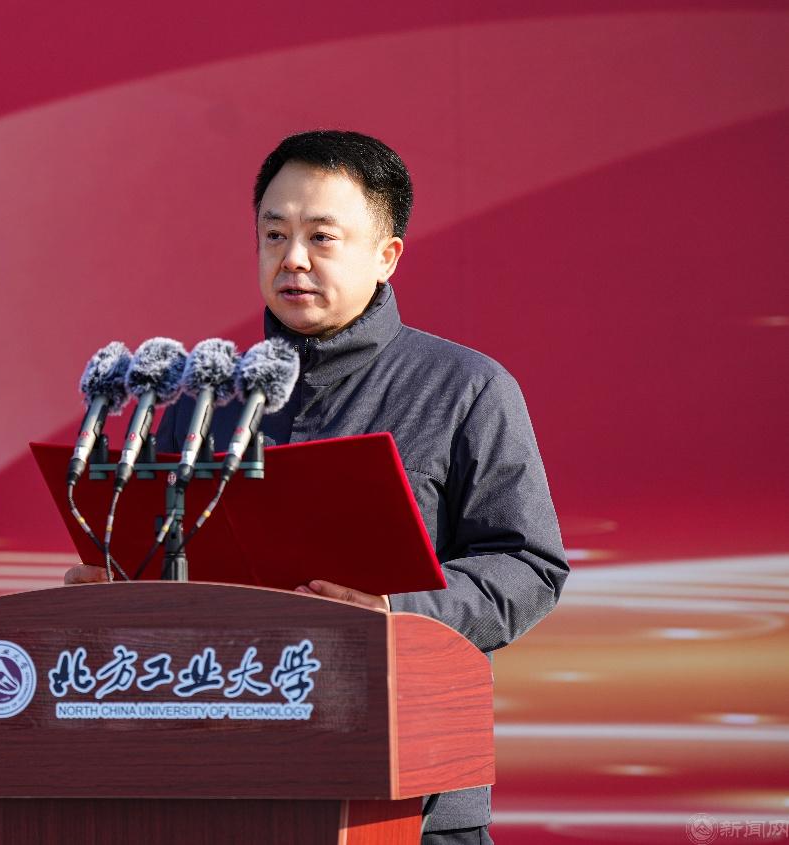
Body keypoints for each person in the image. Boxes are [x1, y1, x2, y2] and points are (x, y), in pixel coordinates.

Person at [65, 130, 568, 844]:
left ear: (386, 254)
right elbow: (176, 573)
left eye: (321, 237)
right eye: (274, 235)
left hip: (411, 799)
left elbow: (528, 565)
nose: (292, 258)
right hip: (230, 789)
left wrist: (394, 611)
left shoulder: (465, 388)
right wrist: (122, 588)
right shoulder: (205, 400)